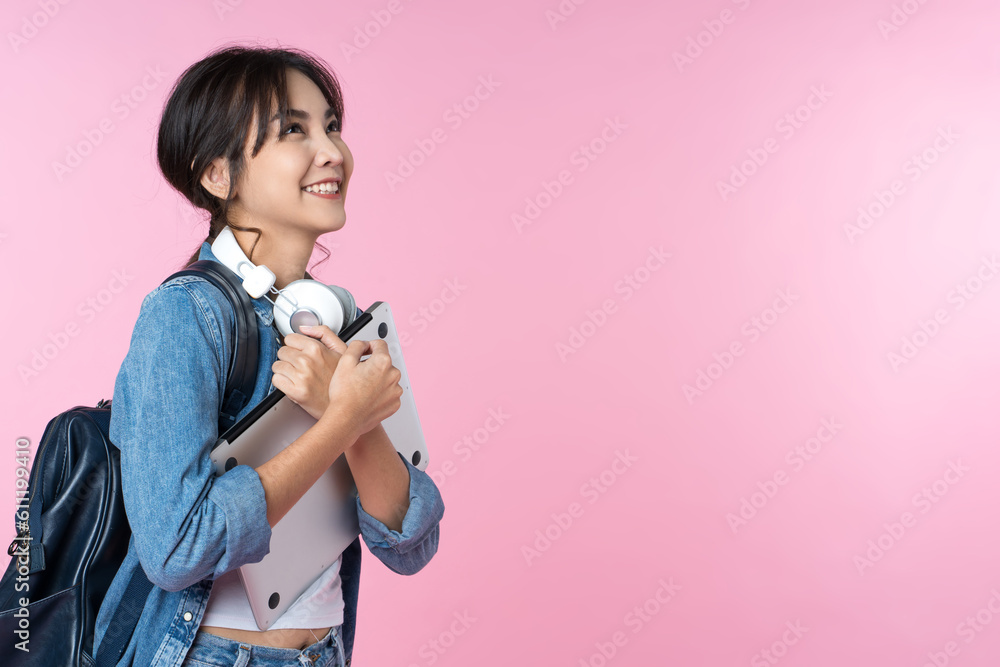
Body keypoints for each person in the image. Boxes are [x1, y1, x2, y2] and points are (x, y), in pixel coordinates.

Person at [92, 44, 445, 667]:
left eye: (331, 126)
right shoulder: (184, 317)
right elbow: (176, 549)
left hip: (323, 652)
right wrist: (339, 420)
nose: (332, 151)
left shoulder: (336, 317)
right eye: (293, 130)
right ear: (218, 175)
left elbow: (410, 545)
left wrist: (355, 421)